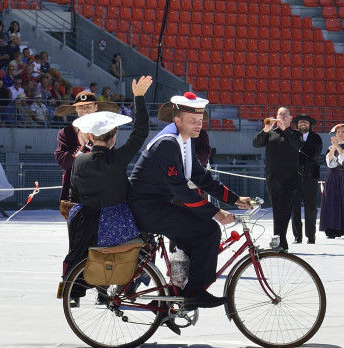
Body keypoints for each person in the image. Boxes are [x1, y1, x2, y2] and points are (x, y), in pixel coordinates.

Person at [129, 92, 253, 308]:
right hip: (146, 208)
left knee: (196, 237)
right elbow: (180, 189)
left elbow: (200, 177)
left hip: (157, 204)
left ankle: (175, 292)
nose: (199, 124)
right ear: (177, 120)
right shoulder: (167, 143)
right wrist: (215, 212)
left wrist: (234, 199)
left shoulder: (184, 140)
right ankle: (194, 294)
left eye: (200, 120)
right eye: (192, 120)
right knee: (209, 230)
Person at [61, 76, 152, 306]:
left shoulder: (79, 161)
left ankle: (75, 291)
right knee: (147, 244)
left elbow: (74, 197)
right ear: (113, 138)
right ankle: (125, 287)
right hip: (116, 222)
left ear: (90, 137)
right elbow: (140, 132)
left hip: (85, 222)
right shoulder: (118, 158)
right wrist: (138, 97)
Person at [53, 90, 119, 219]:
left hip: (100, 190)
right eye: (80, 107)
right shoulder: (65, 133)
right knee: (76, 235)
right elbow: (63, 162)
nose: (84, 110)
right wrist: (82, 146)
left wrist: (91, 143)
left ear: (96, 107)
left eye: (88, 106)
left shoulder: (106, 130)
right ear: (75, 110)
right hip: (73, 191)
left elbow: (110, 160)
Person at [252, 107, 309, 250]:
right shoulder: (270, 133)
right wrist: (265, 129)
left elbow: (299, 146)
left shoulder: (295, 134)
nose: (281, 117)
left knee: (284, 210)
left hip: (290, 178)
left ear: (290, 118)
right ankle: (280, 242)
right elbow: (256, 143)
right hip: (272, 178)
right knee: (277, 210)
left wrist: (286, 130)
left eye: (285, 115)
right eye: (279, 115)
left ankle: (278, 241)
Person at [320, 123, 344, 239]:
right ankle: (331, 229)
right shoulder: (329, 148)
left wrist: (338, 147)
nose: (340, 134)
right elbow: (329, 162)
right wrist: (333, 148)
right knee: (332, 201)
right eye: (338, 132)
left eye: (343, 132)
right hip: (333, 176)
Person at [291, 114, 323, 244]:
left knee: (311, 209)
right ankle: (297, 236)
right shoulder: (291, 136)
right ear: (296, 124)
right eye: (300, 122)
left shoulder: (316, 138)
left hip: (311, 177)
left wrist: (300, 145)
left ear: (310, 125)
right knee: (294, 208)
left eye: (305, 122)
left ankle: (311, 236)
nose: (303, 124)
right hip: (293, 178)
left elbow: (314, 153)